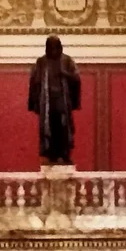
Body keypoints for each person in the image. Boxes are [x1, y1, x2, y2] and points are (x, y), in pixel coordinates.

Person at [27, 36, 83, 165]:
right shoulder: (41, 62)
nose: (53, 50)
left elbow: (76, 78)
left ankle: (64, 155)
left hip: (62, 101)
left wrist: (65, 74)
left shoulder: (67, 61)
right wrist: (33, 103)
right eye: (50, 47)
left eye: (55, 47)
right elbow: (33, 81)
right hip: (46, 102)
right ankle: (51, 154)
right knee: (49, 129)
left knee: (63, 128)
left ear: (59, 47)